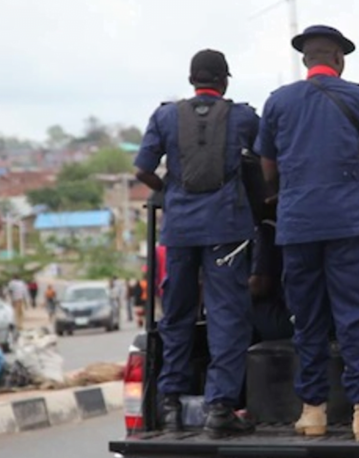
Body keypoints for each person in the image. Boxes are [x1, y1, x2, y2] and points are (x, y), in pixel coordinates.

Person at [255, 24, 359, 441]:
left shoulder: (277, 103)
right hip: (348, 224)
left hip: (296, 226)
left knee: (306, 319)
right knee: (353, 316)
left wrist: (285, 197)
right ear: (340, 60)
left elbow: (267, 170)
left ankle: (312, 413)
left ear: (306, 60)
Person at [135, 49, 258, 437]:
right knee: (227, 317)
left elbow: (142, 169)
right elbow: (268, 160)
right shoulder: (243, 117)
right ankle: (220, 408)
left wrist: (168, 192)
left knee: (176, 314)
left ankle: (170, 404)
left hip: (179, 230)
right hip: (226, 229)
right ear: (224, 81)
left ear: (192, 80)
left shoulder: (164, 115)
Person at [249, 219, 293, 344]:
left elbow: (260, 285)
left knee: (233, 306)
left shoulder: (266, 230)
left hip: (282, 318)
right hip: (311, 316)